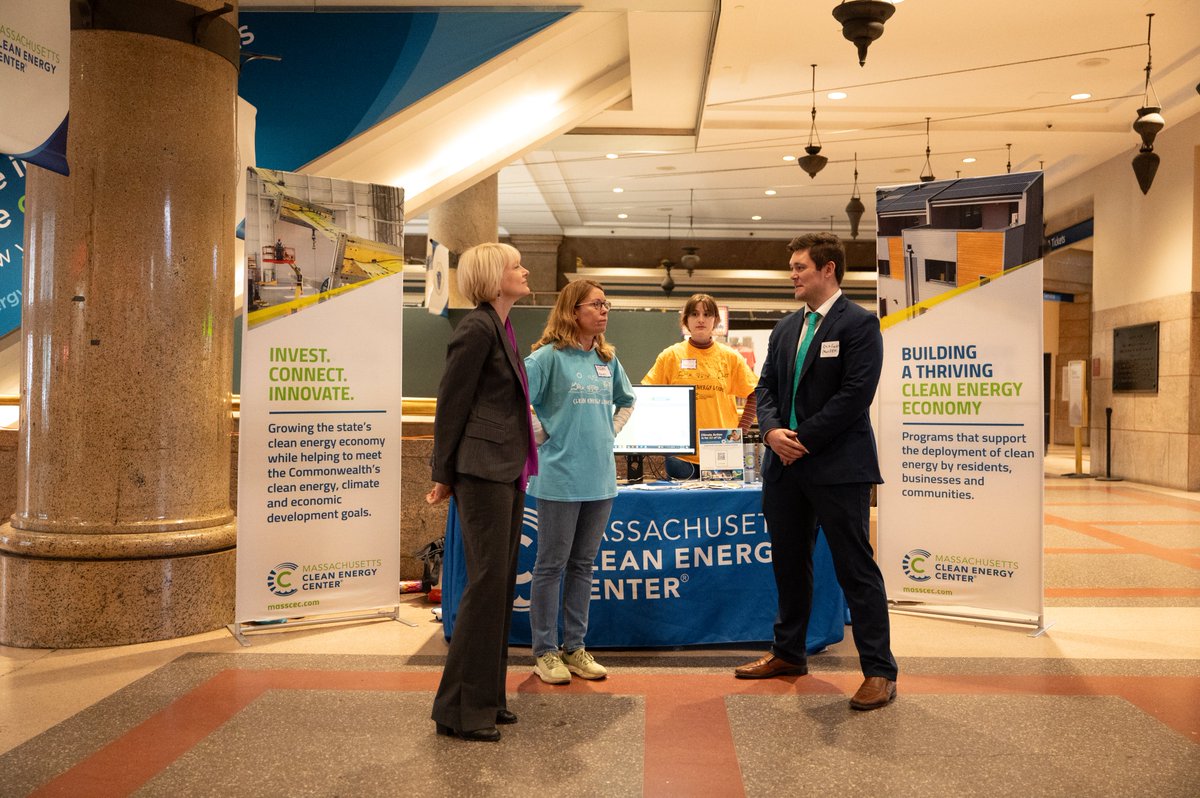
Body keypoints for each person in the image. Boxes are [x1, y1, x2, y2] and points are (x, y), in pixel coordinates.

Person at [734, 232, 898, 712]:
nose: (793, 274)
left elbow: (855, 396)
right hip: (784, 468)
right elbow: (764, 390)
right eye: (793, 267)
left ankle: (879, 671)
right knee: (788, 563)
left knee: (855, 567)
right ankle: (789, 653)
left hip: (838, 468)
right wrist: (771, 434)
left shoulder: (860, 325)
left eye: (800, 266)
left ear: (828, 270)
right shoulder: (786, 328)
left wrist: (799, 438)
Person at [427, 242, 537, 742]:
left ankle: (489, 698)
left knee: (498, 584)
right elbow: (451, 404)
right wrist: (442, 472)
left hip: (505, 468)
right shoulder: (475, 329)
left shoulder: (502, 326)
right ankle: (460, 710)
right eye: (516, 266)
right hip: (482, 470)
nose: (525, 270)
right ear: (496, 278)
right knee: (487, 584)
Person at [524, 279, 635, 684]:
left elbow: (627, 400)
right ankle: (544, 652)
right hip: (559, 478)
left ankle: (574, 648)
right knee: (551, 565)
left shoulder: (607, 358)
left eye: (607, 304)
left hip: (600, 479)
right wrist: (542, 435)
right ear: (573, 311)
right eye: (596, 305)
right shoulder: (547, 358)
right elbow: (517, 398)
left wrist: (610, 431)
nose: (604, 311)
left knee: (583, 566)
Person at [642, 293, 758, 480]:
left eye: (707, 314)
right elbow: (649, 395)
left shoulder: (731, 357)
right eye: (694, 314)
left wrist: (740, 434)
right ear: (686, 320)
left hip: (721, 450)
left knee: (720, 507)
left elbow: (755, 393)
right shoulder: (670, 356)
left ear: (716, 320)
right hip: (680, 455)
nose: (701, 320)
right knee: (683, 509)